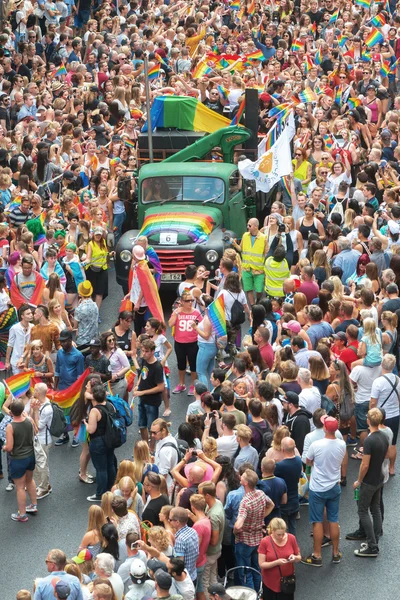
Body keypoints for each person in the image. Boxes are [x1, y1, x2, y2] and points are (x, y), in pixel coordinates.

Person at [301, 415, 346, 567]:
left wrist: (311, 470)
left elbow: (308, 461)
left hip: (318, 488)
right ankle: (335, 553)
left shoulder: (316, 445)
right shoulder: (342, 444)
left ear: (325, 428)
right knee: (333, 519)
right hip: (334, 486)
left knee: (317, 521)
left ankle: (317, 555)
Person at [348, 408, 389, 558]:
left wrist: (359, 480)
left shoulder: (370, 440)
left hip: (369, 481)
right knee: (376, 509)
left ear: (368, 421)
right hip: (379, 478)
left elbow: (364, 465)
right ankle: (374, 541)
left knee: (363, 511)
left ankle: (372, 546)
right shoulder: (384, 436)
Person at [233, 468, 274, 591]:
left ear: (245, 483)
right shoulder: (261, 494)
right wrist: (261, 517)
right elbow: (271, 504)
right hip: (258, 538)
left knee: (245, 572)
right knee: (256, 568)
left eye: (243, 476)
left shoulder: (245, 502)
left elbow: (238, 524)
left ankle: (251, 595)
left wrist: (235, 530)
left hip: (245, 541)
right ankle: (259, 592)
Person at [3, 398, 37, 523]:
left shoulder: (10, 427)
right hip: (30, 456)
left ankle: (22, 514)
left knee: (20, 487)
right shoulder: (29, 420)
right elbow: (36, 431)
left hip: (18, 459)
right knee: (30, 480)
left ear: (11, 412)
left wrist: (4, 447)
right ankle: (33, 505)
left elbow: (10, 447)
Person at [85, 384, 117, 503]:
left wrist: (86, 424)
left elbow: (91, 430)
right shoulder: (110, 405)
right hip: (110, 439)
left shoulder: (95, 411)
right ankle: (110, 487)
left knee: (101, 469)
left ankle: (100, 494)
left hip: (98, 442)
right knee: (110, 464)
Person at [370, 354, 400, 475]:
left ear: (382, 365)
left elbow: (373, 402)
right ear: (393, 366)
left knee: (378, 442)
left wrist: (370, 414)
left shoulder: (378, 382)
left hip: (380, 416)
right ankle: (392, 468)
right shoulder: (398, 380)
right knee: (392, 443)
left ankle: (378, 468)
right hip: (394, 415)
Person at [54, 329, 85, 447]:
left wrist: (76, 392)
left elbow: (80, 377)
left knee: (74, 414)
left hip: (74, 391)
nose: (62, 344)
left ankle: (77, 437)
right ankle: (65, 436)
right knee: (62, 415)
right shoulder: (59, 353)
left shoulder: (78, 355)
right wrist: (55, 388)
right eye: (61, 341)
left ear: (71, 341)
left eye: (65, 341)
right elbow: (57, 371)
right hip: (62, 390)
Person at [258, 518, 301, 600]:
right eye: (278, 534)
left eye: (283, 533)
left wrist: (294, 558)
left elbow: (299, 557)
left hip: (287, 582)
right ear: (272, 531)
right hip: (270, 583)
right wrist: (276, 562)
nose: (281, 537)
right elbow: (261, 564)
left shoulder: (291, 538)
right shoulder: (265, 542)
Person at [134, 338, 165, 444]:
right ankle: (145, 447)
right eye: (143, 351)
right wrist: (138, 385)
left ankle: (151, 450)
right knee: (142, 425)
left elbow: (161, 387)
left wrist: (142, 392)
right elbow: (142, 375)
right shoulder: (143, 360)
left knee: (152, 428)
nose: (144, 353)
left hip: (152, 401)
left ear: (152, 351)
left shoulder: (157, 367)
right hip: (142, 398)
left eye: (147, 351)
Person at [234, 218, 266, 306]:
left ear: (256, 226)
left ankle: (258, 300)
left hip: (258, 269)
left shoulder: (263, 238)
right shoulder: (245, 236)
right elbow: (241, 249)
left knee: (259, 290)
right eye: (247, 225)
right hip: (246, 268)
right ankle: (252, 306)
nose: (248, 227)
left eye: (250, 225)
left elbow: (266, 253)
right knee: (248, 289)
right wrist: (235, 244)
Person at [274, 438, 303, 536]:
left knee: (282, 528)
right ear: (294, 448)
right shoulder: (298, 461)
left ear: (282, 449)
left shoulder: (279, 466)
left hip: (283, 502)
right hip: (295, 500)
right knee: (292, 526)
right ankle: (293, 546)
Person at [30, 383, 53, 500]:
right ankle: (43, 484)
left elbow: (38, 426)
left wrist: (35, 411)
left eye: (35, 390)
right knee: (38, 464)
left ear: (38, 392)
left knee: (42, 464)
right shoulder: (38, 403)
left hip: (43, 439)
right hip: (37, 438)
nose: (33, 391)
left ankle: (44, 488)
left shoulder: (47, 408)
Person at [5, 304, 33, 374]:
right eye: (28, 314)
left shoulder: (33, 327)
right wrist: (7, 362)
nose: (31, 315)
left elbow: (31, 344)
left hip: (28, 360)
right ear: (22, 316)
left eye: (31, 313)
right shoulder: (14, 328)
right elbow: (10, 345)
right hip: (16, 360)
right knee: (18, 382)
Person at [73, 280, 99, 349]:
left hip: (82, 341)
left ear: (80, 294)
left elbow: (75, 326)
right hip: (94, 338)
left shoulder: (79, 309)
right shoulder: (95, 305)